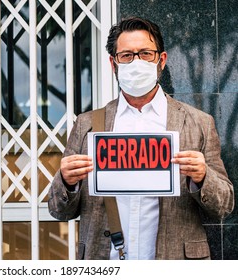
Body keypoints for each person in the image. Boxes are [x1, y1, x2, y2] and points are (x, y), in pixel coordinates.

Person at [48, 16, 234, 260]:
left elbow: (224, 206)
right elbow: (58, 211)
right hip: (105, 261)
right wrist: (67, 181)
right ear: (113, 64)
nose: (136, 62)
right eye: (126, 55)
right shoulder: (88, 124)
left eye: (145, 53)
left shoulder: (199, 122)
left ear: (161, 60)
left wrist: (202, 177)